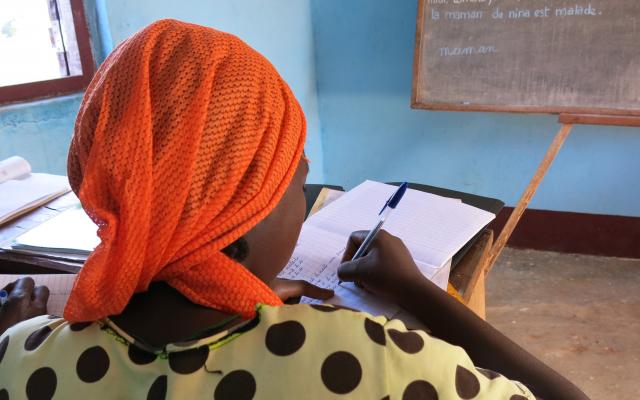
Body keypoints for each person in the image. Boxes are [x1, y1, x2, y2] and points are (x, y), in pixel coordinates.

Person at [0, 19, 587, 400]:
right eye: (296, 180)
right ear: (237, 223)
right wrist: (416, 290)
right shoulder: (372, 362)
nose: (306, 196)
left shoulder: (22, 360)